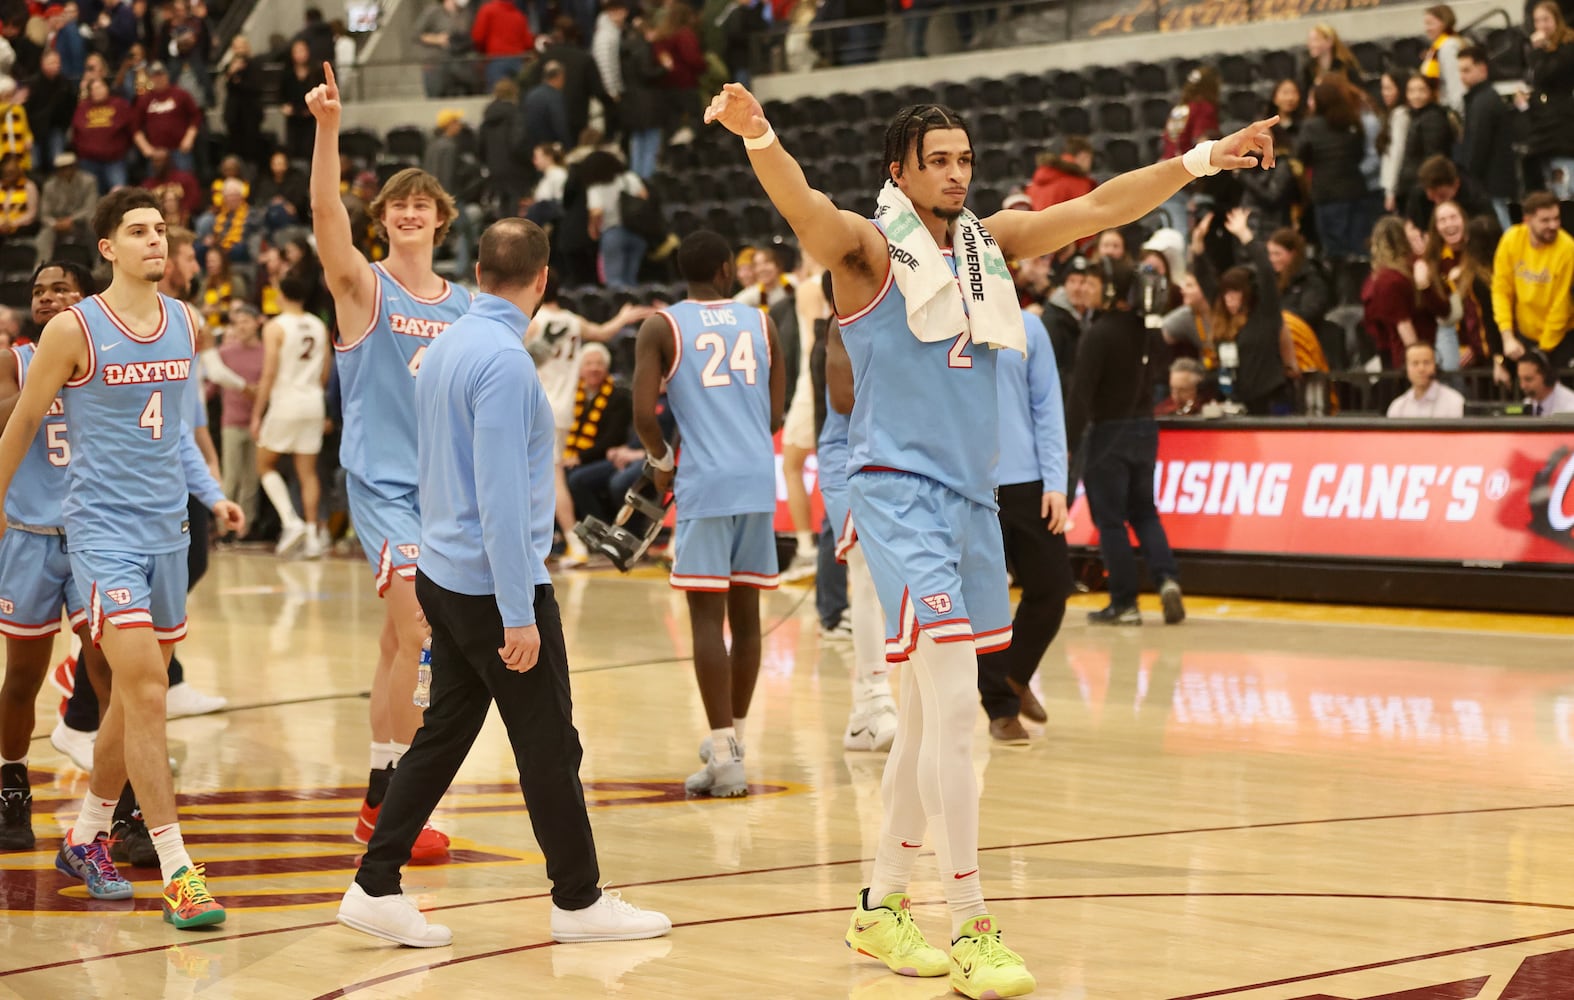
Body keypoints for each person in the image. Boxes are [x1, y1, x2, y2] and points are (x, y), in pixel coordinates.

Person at [703, 79, 1273, 998]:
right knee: (957, 704)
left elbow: (1097, 205)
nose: (959, 173)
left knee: (930, 716)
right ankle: (968, 920)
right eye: (940, 161)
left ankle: (881, 906)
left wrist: (1204, 158)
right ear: (901, 171)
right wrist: (759, 133)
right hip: (895, 492)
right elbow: (803, 209)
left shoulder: (990, 245)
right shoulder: (865, 247)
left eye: (966, 159)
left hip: (972, 499)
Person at [337, 217, 672, 947]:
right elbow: (498, 493)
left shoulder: (447, 342)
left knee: (446, 734)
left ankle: (375, 882)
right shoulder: (505, 362)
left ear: (479, 273)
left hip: (442, 573)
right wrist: (519, 612)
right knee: (549, 744)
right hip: (492, 588)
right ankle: (578, 902)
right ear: (544, 279)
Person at [0, 190, 244, 923]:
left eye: (161, 230)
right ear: (107, 247)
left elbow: (173, 432)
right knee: (144, 689)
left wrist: (210, 492)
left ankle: (84, 837)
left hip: (169, 531)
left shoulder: (186, 322)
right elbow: (19, 429)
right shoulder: (72, 331)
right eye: (138, 231)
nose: (155, 241)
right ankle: (178, 869)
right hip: (100, 536)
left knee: (135, 700)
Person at [308, 62, 468, 858]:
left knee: (395, 645)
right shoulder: (363, 290)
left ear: (441, 219)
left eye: (422, 203)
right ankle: (405, 804)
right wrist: (329, 128)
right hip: (384, 486)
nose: (410, 211)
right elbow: (324, 216)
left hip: (450, 492)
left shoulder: (469, 306)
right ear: (384, 220)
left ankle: (377, 791)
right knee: (420, 629)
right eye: (398, 203)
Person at [631, 230, 784, 797]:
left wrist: (662, 457)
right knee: (746, 620)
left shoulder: (662, 325)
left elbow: (643, 410)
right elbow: (774, 413)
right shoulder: (762, 322)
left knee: (704, 621)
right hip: (756, 480)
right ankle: (736, 744)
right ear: (726, 268)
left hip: (705, 483)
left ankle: (721, 751)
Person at [0, 261, 107, 852]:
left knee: (106, 672)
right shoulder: (14, 361)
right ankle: (12, 787)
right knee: (21, 679)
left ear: (85, 298)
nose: (47, 297)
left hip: (95, 536)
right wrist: (35, 387)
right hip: (28, 536)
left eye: (61, 288)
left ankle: (121, 804)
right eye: (38, 290)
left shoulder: (106, 360)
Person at [1067, 259, 1186, 627]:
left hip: (1108, 434)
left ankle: (1124, 603)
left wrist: (1067, 442)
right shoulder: (1145, 331)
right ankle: (1167, 579)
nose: (1089, 289)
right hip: (1145, 429)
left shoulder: (1099, 333)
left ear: (1113, 290)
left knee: (1111, 521)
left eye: (1095, 283)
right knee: (1145, 511)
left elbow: (1080, 394)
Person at [976, 305, 1068, 745]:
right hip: (971, 483)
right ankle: (1000, 707)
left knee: (1053, 587)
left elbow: (1048, 405)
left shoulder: (1028, 325)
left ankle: (1015, 676)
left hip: (1028, 481)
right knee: (987, 598)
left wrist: (1057, 482)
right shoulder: (939, 318)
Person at [524, 270, 647, 566]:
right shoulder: (573, 320)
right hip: (564, 409)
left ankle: (572, 541)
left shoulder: (533, 323)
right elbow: (604, 333)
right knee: (540, 478)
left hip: (538, 405)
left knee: (548, 480)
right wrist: (623, 317)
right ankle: (541, 542)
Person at [252, 269, 330, 558]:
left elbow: (269, 372)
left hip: (286, 402)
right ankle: (312, 537)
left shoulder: (276, 327)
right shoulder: (318, 326)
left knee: (264, 465)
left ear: (281, 294)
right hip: (313, 402)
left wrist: (257, 413)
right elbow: (325, 372)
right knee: (308, 472)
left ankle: (290, 520)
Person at [1493, 191, 1574, 370]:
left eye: (1556, 218)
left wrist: (1541, 351)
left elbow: (1562, 305)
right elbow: (1501, 290)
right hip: (1525, 334)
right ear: (1527, 220)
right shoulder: (1511, 239)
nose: (1553, 225)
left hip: (1560, 336)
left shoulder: (1567, 248)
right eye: (1545, 220)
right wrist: (1507, 336)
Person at [1455, 45, 1516, 231]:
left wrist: (1469, 177)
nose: (1462, 76)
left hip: (1491, 181)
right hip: (1491, 180)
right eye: (1460, 71)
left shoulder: (1483, 102)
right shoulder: (1480, 99)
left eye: (1467, 70)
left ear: (1482, 68)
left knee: (1500, 226)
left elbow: (1477, 144)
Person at [1520, 1, 1574, 198]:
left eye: (1546, 19)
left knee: (1565, 191)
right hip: (1542, 131)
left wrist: (1536, 51)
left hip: (1561, 133)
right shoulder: (1543, 50)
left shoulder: (1568, 46)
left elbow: (1546, 75)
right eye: (1537, 20)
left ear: (1557, 20)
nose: (1541, 25)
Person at [1387, 342, 1465, 417]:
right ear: (1405, 368)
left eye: (1426, 362)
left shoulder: (1454, 401)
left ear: (1435, 366)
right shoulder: (1397, 407)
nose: (1421, 369)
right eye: (1415, 363)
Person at [1419, 4, 1464, 112]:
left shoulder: (1448, 47)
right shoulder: (1435, 48)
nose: (1427, 29)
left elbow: (1455, 84)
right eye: (1426, 24)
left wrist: (1457, 113)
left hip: (1449, 109)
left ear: (1444, 23)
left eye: (1431, 24)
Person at [1519, 348, 1574, 414]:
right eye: (1520, 379)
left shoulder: (1570, 407)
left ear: (1546, 375)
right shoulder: (1527, 404)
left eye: (1528, 379)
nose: (1522, 386)